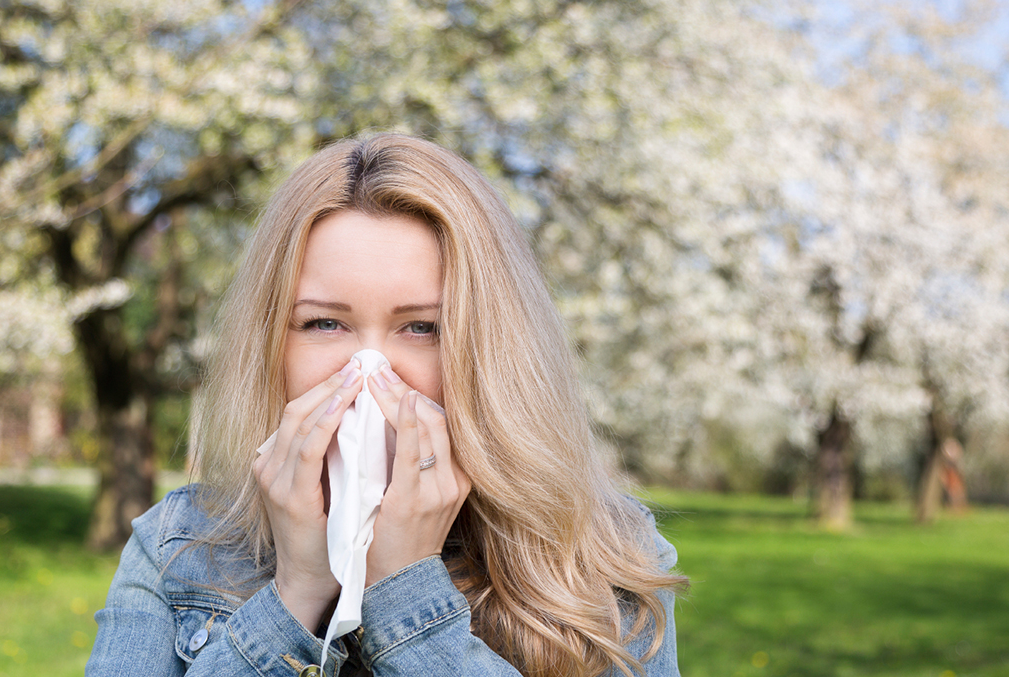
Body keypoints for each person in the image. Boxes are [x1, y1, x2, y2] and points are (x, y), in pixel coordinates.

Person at [86, 133, 685, 677]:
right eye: (324, 323)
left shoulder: (602, 554)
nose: (369, 373)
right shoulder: (178, 545)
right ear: (270, 341)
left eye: (422, 328)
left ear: (489, 345)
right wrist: (296, 594)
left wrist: (406, 595)